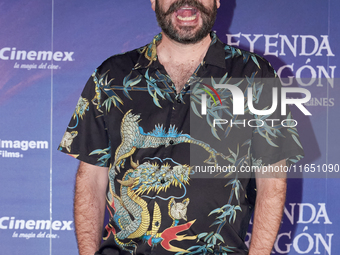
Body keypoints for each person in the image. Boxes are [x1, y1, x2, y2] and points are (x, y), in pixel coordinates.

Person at [59, 0, 304, 254]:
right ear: (153, 2)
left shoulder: (254, 75)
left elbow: (272, 182)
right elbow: (90, 180)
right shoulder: (112, 78)